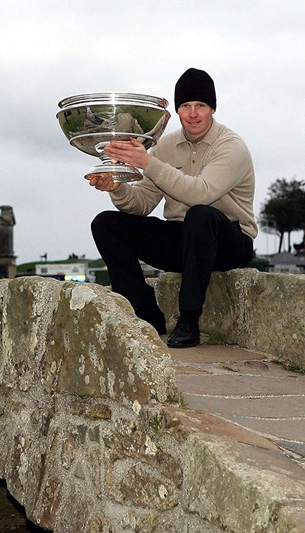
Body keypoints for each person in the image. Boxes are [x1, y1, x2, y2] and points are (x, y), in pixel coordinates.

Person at [89, 68, 256, 348]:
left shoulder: (231, 146)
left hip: (229, 241)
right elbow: (142, 204)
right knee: (106, 224)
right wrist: (116, 188)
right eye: (185, 106)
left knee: (200, 214)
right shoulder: (165, 146)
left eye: (200, 106)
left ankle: (189, 321)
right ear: (177, 110)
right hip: (182, 240)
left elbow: (202, 193)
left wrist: (147, 163)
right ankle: (145, 314)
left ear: (212, 108)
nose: (193, 114)